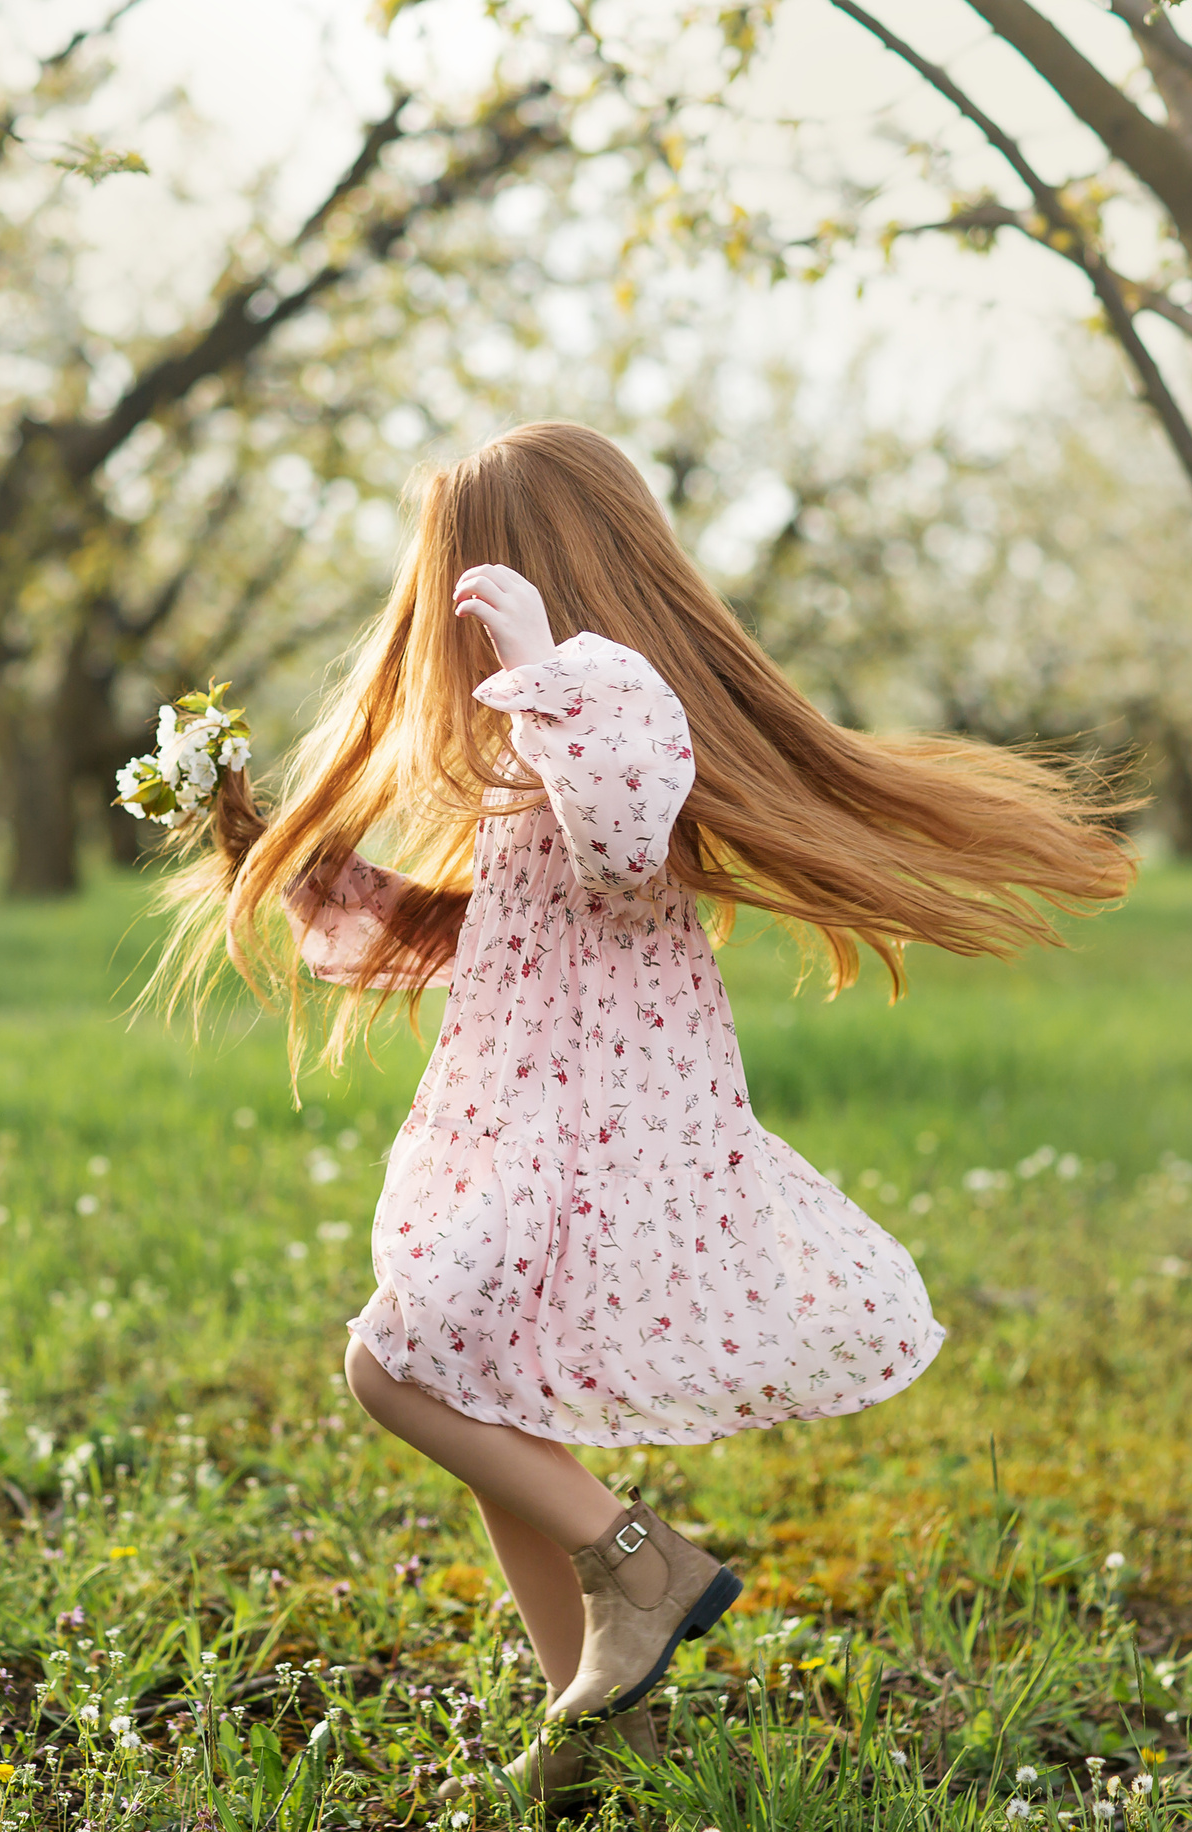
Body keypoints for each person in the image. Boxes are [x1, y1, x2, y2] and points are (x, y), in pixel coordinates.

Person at [146, 420, 1134, 1810]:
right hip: (537, 1116)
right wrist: (265, 845)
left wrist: (545, 666)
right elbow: (488, 932)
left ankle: (641, 1564)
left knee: (396, 1369)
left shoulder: (608, 691)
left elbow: (617, 842)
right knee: (478, 1393)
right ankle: (597, 1729)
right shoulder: (554, 726)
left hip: (594, 1126)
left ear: (525, 559)